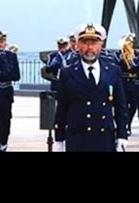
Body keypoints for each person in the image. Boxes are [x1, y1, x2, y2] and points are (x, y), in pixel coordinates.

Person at [54, 23, 128, 152]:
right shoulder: (67, 73)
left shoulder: (113, 70)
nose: (89, 47)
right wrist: (59, 139)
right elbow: (62, 108)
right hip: (77, 137)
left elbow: (120, 105)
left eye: (94, 43)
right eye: (85, 43)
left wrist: (122, 134)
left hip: (104, 137)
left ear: (101, 45)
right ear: (77, 45)